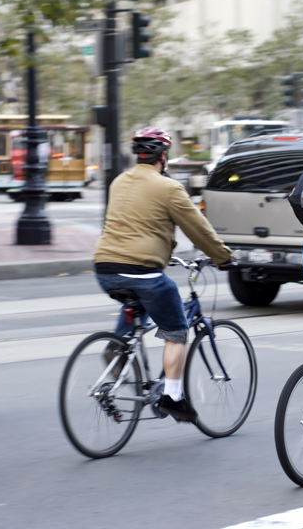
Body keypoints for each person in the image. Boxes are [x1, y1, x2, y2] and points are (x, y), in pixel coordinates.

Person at [93, 127, 234, 424]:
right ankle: (173, 397)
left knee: (139, 300)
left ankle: (118, 349)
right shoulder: (168, 187)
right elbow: (198, 228)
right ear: (164, 156)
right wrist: (223, 257)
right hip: (142, 270)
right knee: (176, 330)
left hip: (105, 268)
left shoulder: (119, 181)